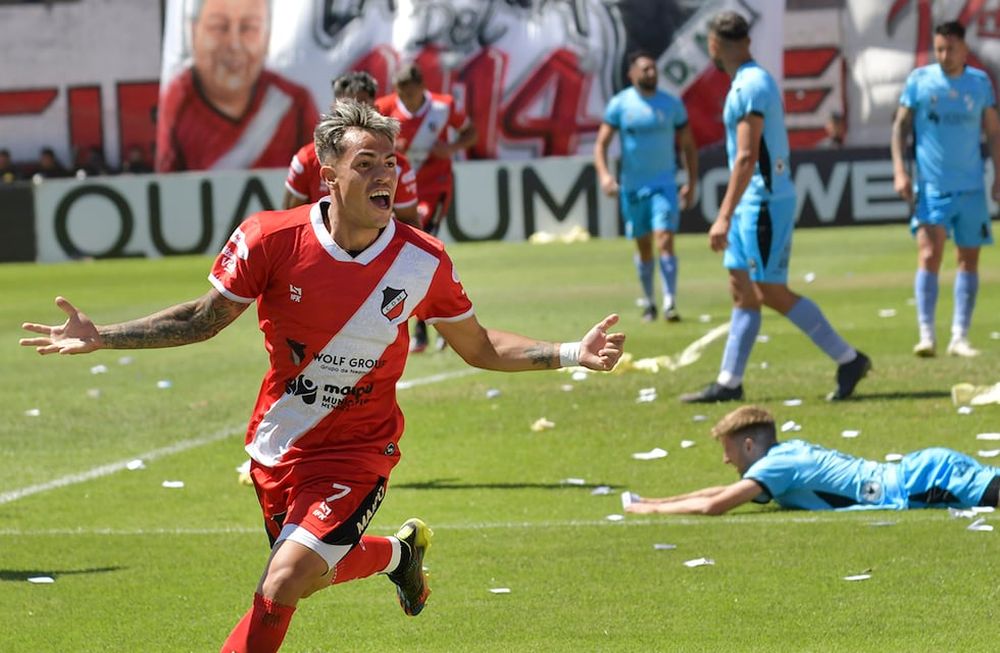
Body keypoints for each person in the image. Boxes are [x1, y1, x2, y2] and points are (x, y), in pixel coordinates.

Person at [20, 100, 625, 653]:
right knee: (304, 574)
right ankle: (396, 555)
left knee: (284, 578)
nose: (386, 174)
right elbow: (203, 320)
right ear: (327, 175)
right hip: (281, 443)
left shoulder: (422, 260)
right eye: (367, 163)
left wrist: (573, 351)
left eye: (390, 162)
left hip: (361, 451)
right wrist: (105, 336)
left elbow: (482, 344)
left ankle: (385, 555)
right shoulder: (270, 240)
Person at [680, 12, 870, 404]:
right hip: (750, 202)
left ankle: (849, 359)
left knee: (769, 290)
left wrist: (723, 215)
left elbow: (747, 157)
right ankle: (730, 382)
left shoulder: (751, 86)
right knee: (742, 289)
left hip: (763, 202)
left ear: (713, 46)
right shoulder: (746, 83)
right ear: (746, 42)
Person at [624, 404, 1000, 515]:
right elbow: (724, 491)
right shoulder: (781, 457)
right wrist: (656, 500)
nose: (725, 459)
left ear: (751, 446)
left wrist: (646, 512)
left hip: (920, 483)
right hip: (922, 471)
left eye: (729, 449)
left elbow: (715, 506)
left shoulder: (777, 466)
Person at [890, 20, 1000, 359]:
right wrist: (899, 171)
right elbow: (900, 127)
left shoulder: (979, 84)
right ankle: (926, 334)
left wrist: (998, 174)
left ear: (964, 49)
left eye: (950, 48)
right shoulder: (920, 81)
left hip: (970, 186)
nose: (944, 55)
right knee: (928, 254)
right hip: (932, 187)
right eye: (938, 48)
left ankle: (959, 337)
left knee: (968, 259)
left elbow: (994, 132)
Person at [375, 63, 478, 352]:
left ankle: (424, 327)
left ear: (422, 88)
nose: (405, 99)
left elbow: (471, 133)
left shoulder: (443, 107)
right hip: (398, 187)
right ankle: (439, 321)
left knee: (420, 248)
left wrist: (451, 149)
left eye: (410, 93)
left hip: (435, 187)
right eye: (401, 94)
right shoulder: (384, 108)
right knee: (406, 252)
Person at [594, 50, 698, 323]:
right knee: (643, 247)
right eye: (645, 69)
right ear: (632, 74)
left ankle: (670, 303)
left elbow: (688, 145)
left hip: (664, 184)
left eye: (654, 68)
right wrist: (605, 175)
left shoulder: (671, 104)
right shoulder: (620, 104)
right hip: (632, 188)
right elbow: (601, 144)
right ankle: (649, 302)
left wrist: (691, 181)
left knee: (665, 239)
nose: (652, 73)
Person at [155, 0, 319, 171]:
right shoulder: (179, 100)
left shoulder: (295, 103)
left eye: (248, 28)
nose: (234, 45)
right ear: (194, 31)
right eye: (219, 27)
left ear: (267, 36)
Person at [284, 71, 419, 228]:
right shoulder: (306, 159)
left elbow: (411, 224)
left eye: (362, 108)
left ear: (375, 109)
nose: (355, 117)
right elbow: (291, 222)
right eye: (347, 108)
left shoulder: (397, 165)